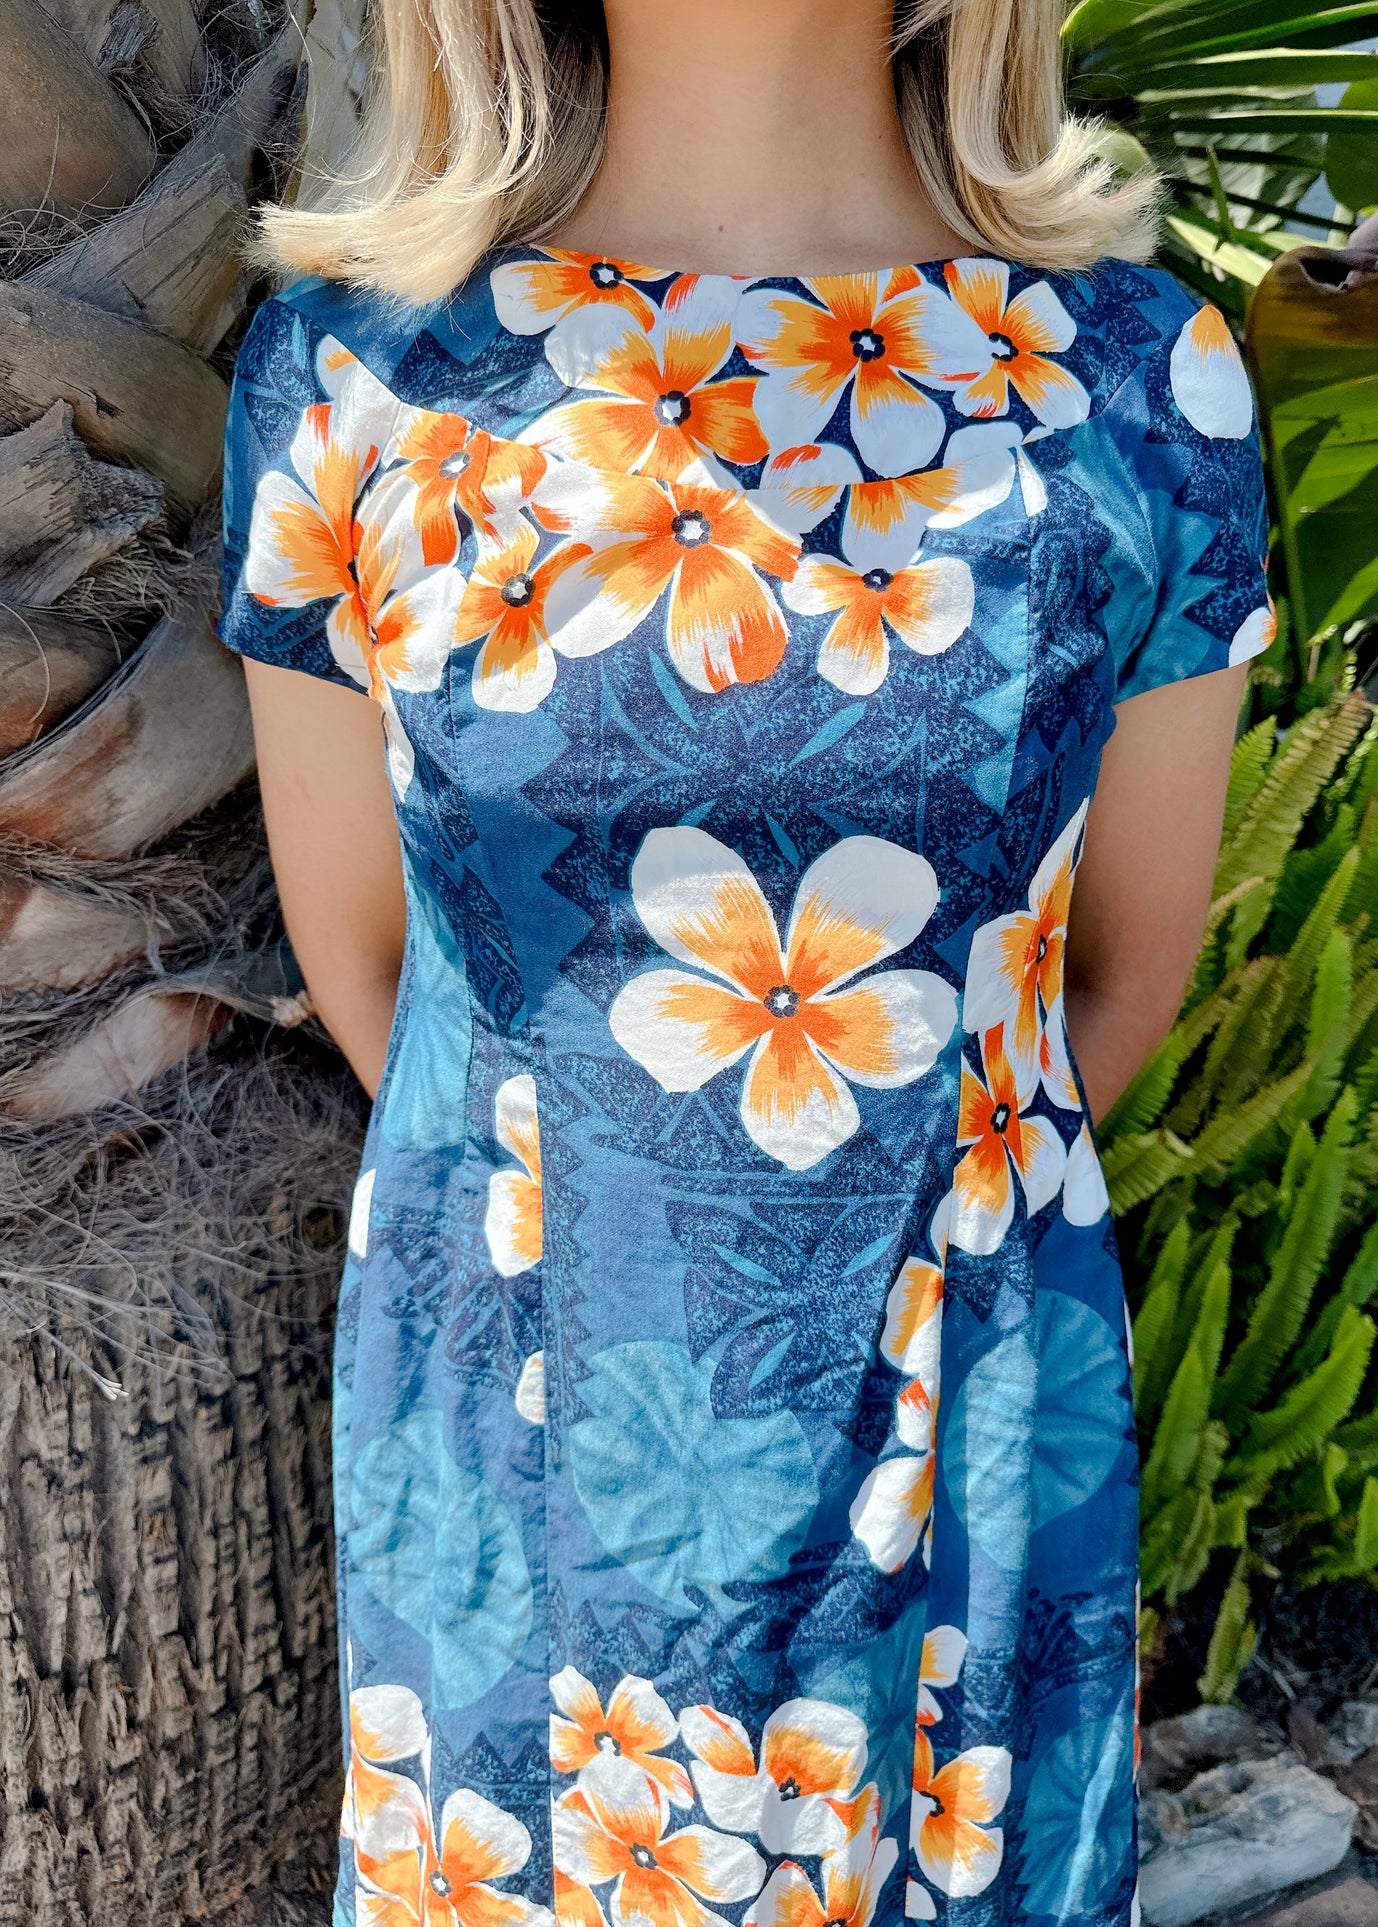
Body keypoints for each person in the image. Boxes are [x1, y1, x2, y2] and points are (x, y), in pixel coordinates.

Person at [218, 1, 1273, 1918]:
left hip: (961, 1439)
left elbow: (1113, 981)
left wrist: (870, 1243)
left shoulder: (1139, 379)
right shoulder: (355, 377)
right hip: (513, 1465)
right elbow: (379, 976)